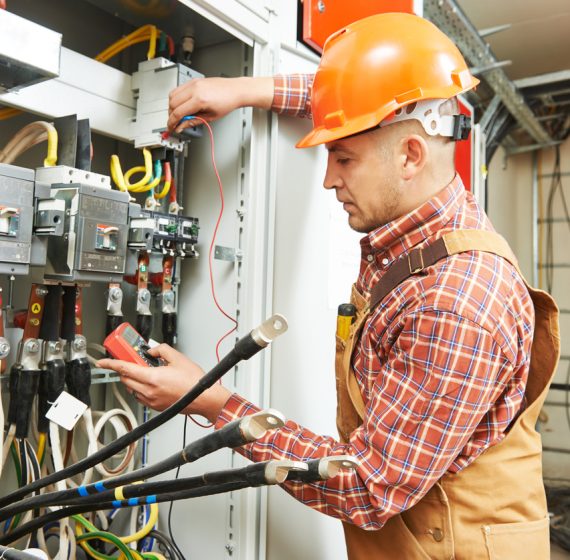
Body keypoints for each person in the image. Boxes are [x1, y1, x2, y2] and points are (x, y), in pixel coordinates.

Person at [98, 13, 560, 559]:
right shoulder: (420, 220)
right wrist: (244, 89)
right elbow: (354, 103)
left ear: (411, 155)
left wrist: (215, 404)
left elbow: (367, 484)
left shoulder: (454, 300)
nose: (329, 178)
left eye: (343, 157)